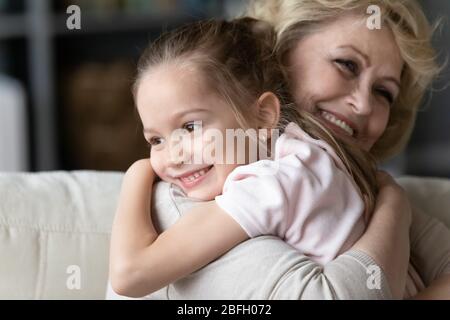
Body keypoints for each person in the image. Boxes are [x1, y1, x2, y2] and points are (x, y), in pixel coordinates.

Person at [107, 0, 450, 300]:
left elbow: (130, 274)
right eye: (346, 64)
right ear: (284, 50)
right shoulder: (192, 193)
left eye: (383, 92)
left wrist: (138, 172)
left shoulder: (292, 173)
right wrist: (394, 206)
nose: (362, 104)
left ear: (265, 114)